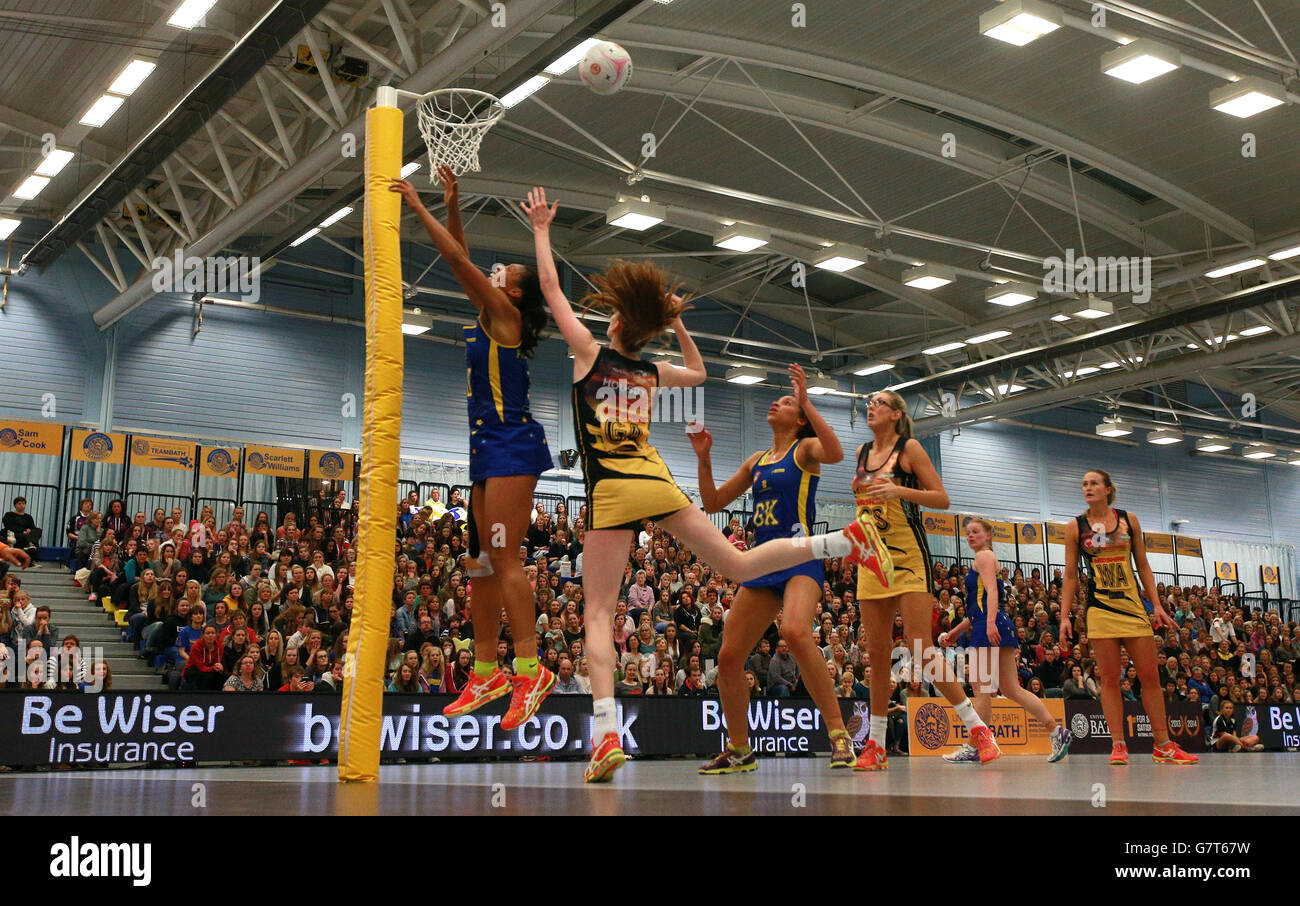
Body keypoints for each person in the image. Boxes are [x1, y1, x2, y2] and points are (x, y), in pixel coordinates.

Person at [524, 187, 888, 783]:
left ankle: (607, 734)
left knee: (596, 612)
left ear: (614, 322)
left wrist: (541, 230)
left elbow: (550, 290)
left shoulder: (589, 354)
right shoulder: (648, 372)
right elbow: (699, 372)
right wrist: (678, 323)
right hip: (658, 482)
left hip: (612, 493)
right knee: (741, 567)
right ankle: (834, 543)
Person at [392, 170, 556, 732]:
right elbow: (464, 260)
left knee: (505, 559)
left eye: (506, 270)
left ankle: (532, 669)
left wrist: (416, 205)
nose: (496, 267)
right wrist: (451, 203)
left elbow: (460, 264)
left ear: (513, 292)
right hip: (486, 450)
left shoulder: (506, 317)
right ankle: (486, 669)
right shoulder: (493, 312)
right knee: (480, 564)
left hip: (513, 447)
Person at [692, 364, 858, 773]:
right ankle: (739, 749)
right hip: (763, 559)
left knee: (796, 631)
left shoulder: (806, 450)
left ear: (799, 418)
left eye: (786, 402)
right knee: (729, 658)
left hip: (799, 553)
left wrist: (807, 401)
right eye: (781, 399)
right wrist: (704, 458)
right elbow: (713, 504)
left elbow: (836, 452)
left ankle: (839, 737)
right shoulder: (758, 460)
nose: (776, 402)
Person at [850, 390, 992, 770]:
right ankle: (875, 745)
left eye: (879, 402)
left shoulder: (909, 448)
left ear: (896, 414)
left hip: (909, 556)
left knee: (921, 650)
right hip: (872, 559)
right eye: (869, 402)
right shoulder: (863, 452)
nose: (871, 406)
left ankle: (977, 729)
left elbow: (941, 498)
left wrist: (898, 489)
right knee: (877, 656)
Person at [1061, 469, 1197, 766]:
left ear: (1108, 489)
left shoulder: (1128, 520)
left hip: (1133, 607)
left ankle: (1162, 745)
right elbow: (1070, 575)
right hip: (1100, 609)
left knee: (1150, 678)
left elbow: (1144, 565)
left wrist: (1157, 606)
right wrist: (1064, 617)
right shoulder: (1075, 527)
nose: (1088, 487)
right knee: (1109, 680)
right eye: (1084, 484)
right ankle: (1118, 745)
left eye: (1094, 483)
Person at [939, 518, 1070, 764]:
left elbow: (992, 593)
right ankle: (1057, 731)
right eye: (967, 533)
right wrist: (957, 631)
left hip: (988, 626)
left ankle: (975, 745)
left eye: (976, 531)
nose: (970, 535)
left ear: (988, 535)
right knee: (1011, 689)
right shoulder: (985, 559)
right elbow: (977, 606)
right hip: (994, 623)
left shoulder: (984, 557)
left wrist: (988, 624)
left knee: (981, 691)